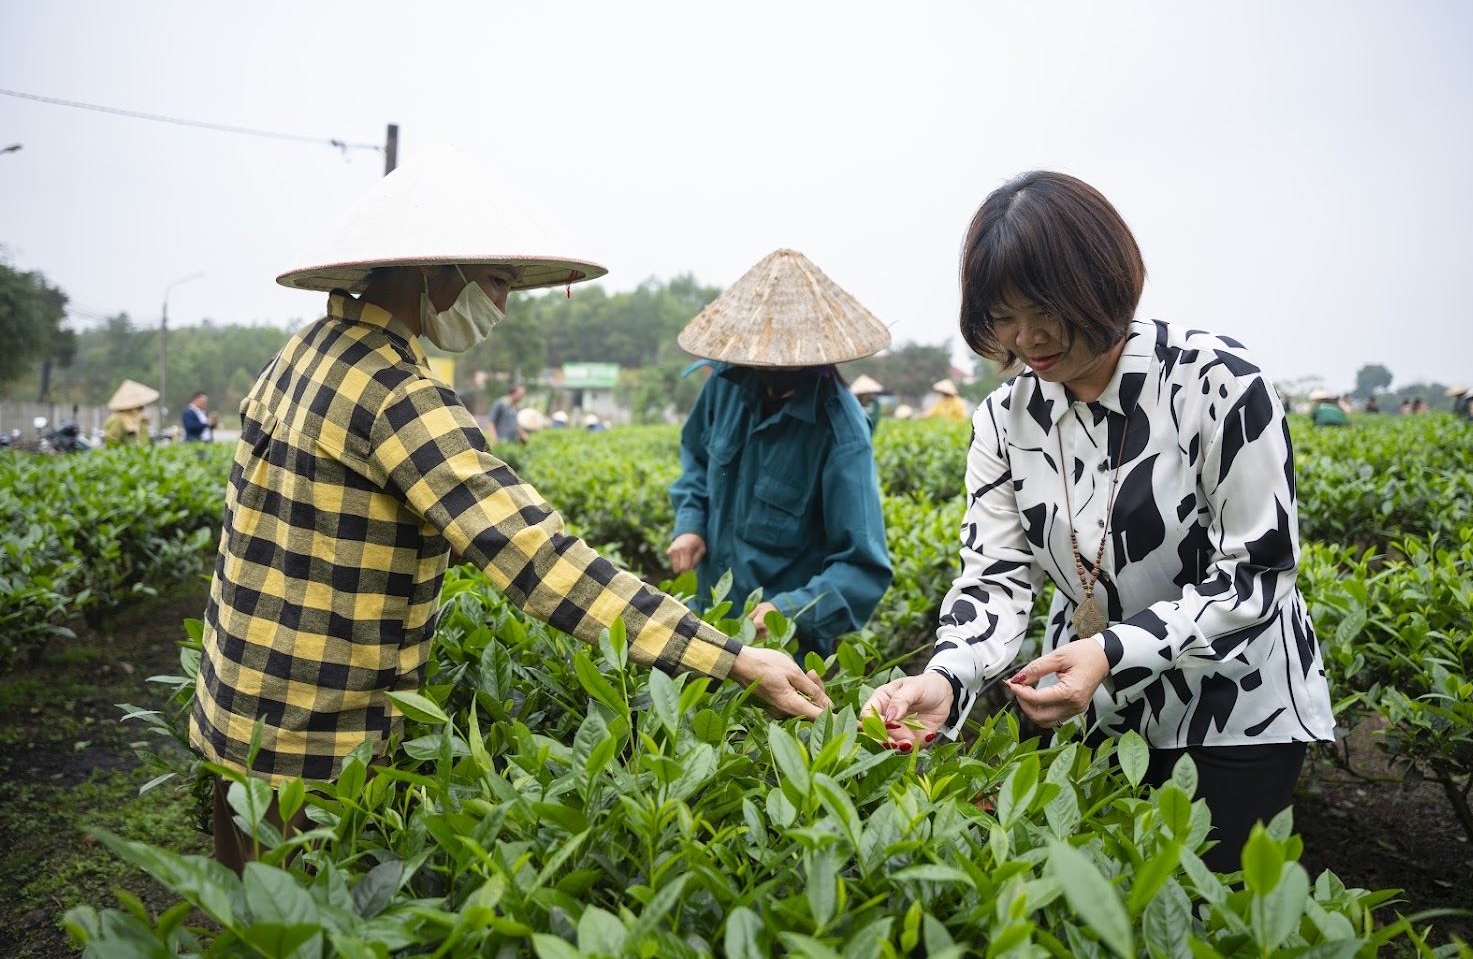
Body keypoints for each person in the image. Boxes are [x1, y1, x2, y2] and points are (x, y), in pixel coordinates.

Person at [190, 150, 828, 873]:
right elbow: (540, 561)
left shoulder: (303, 352)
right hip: (315, 744)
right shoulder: (399, 395)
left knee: (243, 915)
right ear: (434, 269)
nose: (500, 305)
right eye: (495, 282)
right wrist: (733, 659)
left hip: (237, 708)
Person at [862, 171, 1335, 873]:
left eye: (1042, 308)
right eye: (1001, 317)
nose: (1025, 338)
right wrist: (949, 674)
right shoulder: (1004, 417)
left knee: (1211, 914)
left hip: (1233, 710)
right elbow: (992, 577)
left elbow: (1257, 575)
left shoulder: (1214, 381)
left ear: (1102, 282)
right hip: (1082, 703)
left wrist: (1113, 652)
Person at [668, 248, 894, 660]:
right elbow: (697, 458)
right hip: (709, 620)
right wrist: (691, 523)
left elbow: (863, 568)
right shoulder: (726, 385)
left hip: (780, 650)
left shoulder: (841, 433)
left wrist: (786, 612)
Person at [102, 379, 158, 446]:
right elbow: (112, 443)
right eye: (139, 406)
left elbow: (145, 441)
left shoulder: (141, 419)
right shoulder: (117, 419)